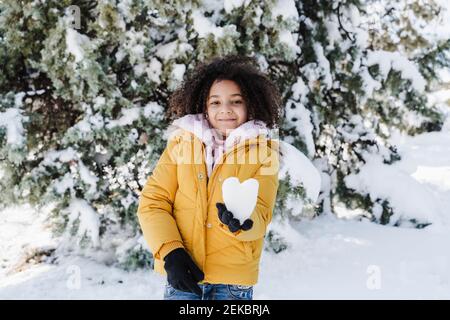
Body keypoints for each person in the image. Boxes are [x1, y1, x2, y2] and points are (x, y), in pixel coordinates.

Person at [137, 54, 282, 300]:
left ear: (251, 105)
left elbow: (262, 213)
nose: (225, 109)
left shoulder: (264, 153)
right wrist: (171, 253)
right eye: (215, 102)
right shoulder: (181, 143)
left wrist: (243, 222)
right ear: (204, 105)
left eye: (235, 101)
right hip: (184, 275)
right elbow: (153, 202)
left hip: (232, 284)